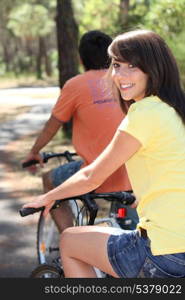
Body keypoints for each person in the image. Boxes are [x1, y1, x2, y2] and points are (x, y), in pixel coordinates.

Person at [23, 28, 185, 278]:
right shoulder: (174, 110)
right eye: (117, 66)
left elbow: (92, 176)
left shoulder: (144, 113)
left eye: (132, 66)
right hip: (176, 244)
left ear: (153, 68)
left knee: (69, 241)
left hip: (164, 252)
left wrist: (49, 197)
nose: (120, 76)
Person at [22, 30, 138, 233]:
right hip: (132, 174)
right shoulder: (128, 81)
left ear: (81, 58)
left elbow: (53, 125)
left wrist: (34, 152)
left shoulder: (75, 85)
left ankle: (70, 239)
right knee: (134, 226)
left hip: (94, 173)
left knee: (49, 179)